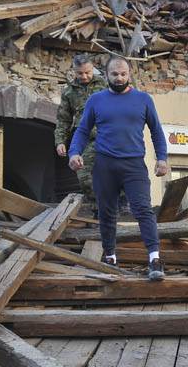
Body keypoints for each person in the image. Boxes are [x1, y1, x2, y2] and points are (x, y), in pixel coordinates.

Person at [69, 55, 169, 280]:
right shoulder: (96, 100)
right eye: (114, 74)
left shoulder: (143, 99)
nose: (119, 78)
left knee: (143, 210)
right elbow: (83, 130)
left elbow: (156, 131)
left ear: (129, 74)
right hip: (105, 165)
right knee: (106, 212)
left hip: (134, 165)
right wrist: (74, 152)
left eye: (123, 74)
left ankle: (154, 259)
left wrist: (162, 158)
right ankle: (110, 258)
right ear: (106, 75)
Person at [55, 54, 106, 209]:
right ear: (74, 71)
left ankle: (121, 203)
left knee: (114, 171)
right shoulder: (68, 92)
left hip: (107, 136)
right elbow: (63, 119)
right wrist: (60, 142)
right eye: (80, 73)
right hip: (85, 139)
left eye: (87, 72)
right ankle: (97, 207)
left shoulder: (105, 85)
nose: (84, 76)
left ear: (93, 68)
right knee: (84, 175)